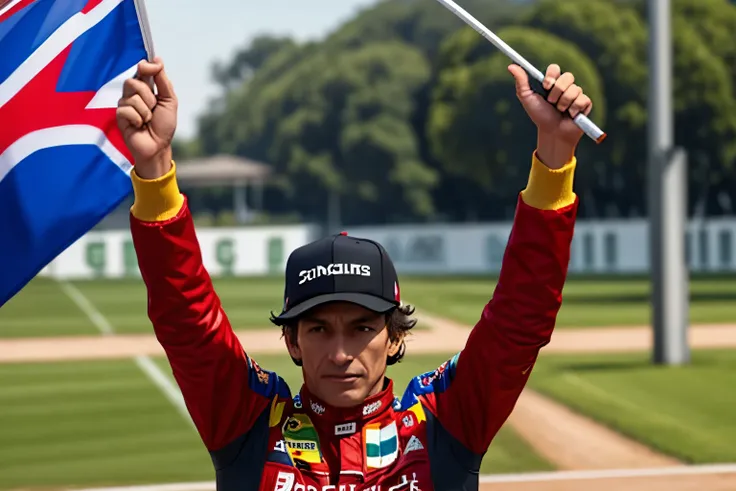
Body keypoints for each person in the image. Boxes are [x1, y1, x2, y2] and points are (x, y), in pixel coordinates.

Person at [118, 55, 592, 491]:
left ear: (394, 338)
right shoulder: (251, 425)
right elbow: (188, 323)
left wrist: (554, 153)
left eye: (363, 327)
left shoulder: (442, 422)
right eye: (319, 329)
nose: (341, 353)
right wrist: (156, 166)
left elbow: (519, 322)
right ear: (292, 342)